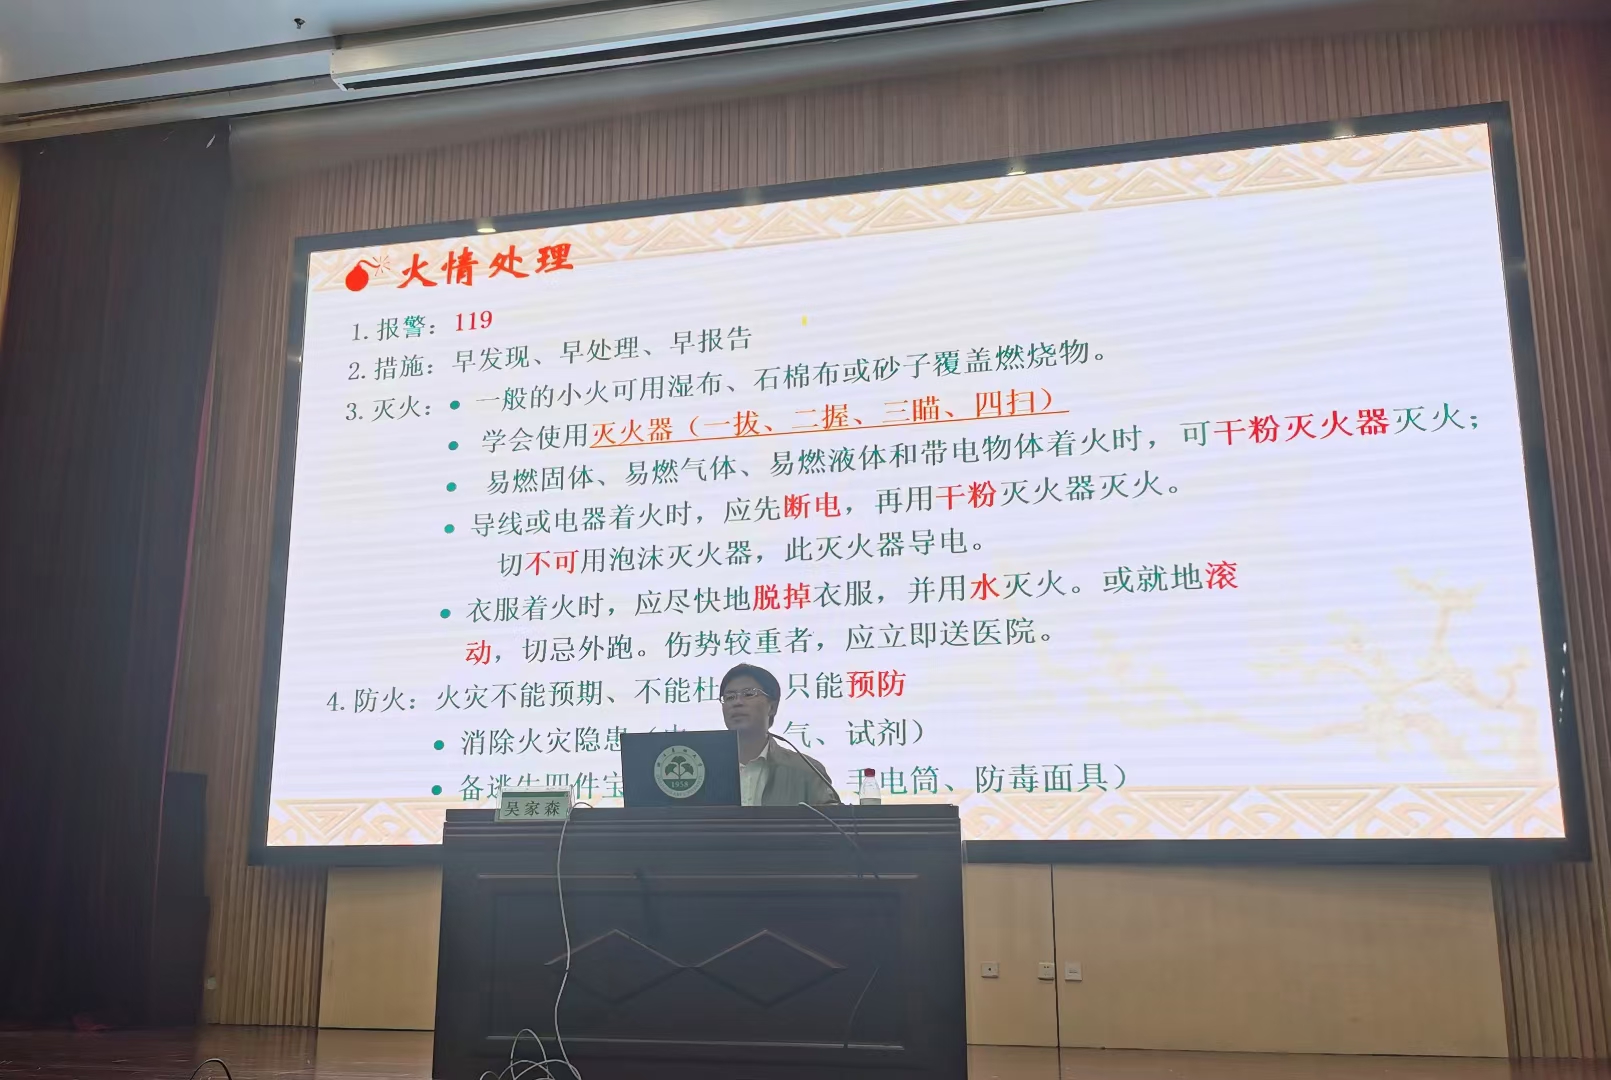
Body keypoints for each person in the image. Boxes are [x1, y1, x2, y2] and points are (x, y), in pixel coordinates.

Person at [719, 663, 840, 806]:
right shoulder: (704, 770)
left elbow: (833, 819)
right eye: (730, 697)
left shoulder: (807, 771)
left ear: (772, 707)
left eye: (749, 694)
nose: (737, 702)